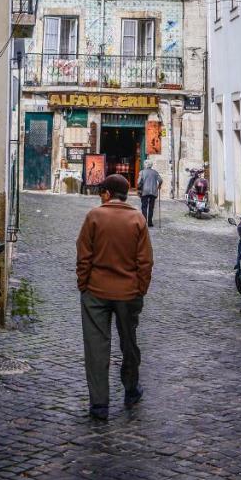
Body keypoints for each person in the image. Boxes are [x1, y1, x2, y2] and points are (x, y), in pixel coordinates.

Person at [76, 173, 153, 419]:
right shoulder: (137, 219)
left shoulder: (94, 217)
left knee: (96, 347)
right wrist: (140, 289)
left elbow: (83, 256)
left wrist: (83, 284)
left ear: (108, 194)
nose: (100, 198)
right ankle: (131, 389)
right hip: (128, 292)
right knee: (129, 343)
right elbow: (145, 261)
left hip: (96, 292)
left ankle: (99, 404)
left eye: (101, 194)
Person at [138, 159, 163, 227]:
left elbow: (138, 182)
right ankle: (150, 223)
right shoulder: (155, 172)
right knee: (151, 207)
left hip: (144, 191)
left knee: (144, 207)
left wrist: (139, 189)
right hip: (153, 191)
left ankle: (144, 222)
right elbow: (160, 180)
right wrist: (159, 186)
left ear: (145, 165)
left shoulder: (142, 172)